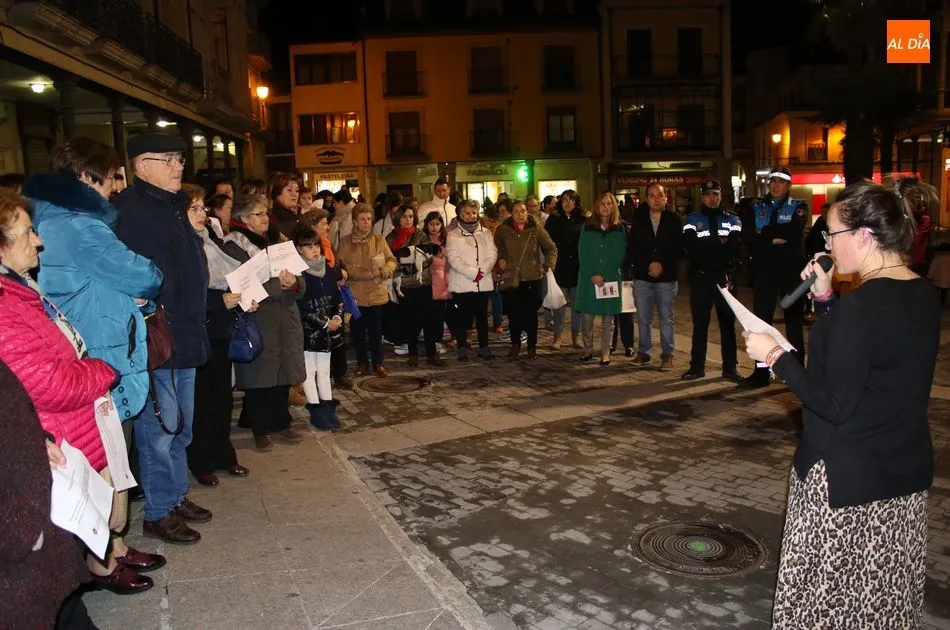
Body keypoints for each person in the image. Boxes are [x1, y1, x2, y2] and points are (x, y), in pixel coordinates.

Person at [743, 178, 940, 628]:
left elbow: (832, 400)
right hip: (901, 474)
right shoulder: (922, 294)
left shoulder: (863, 307)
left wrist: (775, 357)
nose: (826, 242)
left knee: (830, 601)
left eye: (831, 234)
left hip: (845, 483)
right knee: (879, 599)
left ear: (864, 237)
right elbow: (865, 362)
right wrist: (828, 298)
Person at [23, 137, 167, 591]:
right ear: (87, 178)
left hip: (98, 344)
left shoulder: (63, 217)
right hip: (99, 352)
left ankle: (114, 547)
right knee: (102, 457)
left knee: (112, 455)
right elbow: (142, 272)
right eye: (112, 179)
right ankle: (101, 559)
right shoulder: (77, 224)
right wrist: (143, 282)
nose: (116, 189)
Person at [114, 132, 213, 544]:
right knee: (160, 430)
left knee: (180, 426)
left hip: (186, 335)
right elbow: (140, 277)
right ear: (142, 166)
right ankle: (157, 510)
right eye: (169, 159)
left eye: (180, 159)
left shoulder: (173, 207)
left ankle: (174, 496)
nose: (179, 165)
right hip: (160, 339)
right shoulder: (131, 212)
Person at [0, 358, 88, 628]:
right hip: (18, 544)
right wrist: (21, 529)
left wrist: (40, 438)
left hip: (34, 521)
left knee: (66, 609)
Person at [180, 184, 250, 486]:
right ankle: (201, 458)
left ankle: (224, 453)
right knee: (201, 398)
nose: (202, 213)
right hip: (197, 330)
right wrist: (218, 300)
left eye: (202, 207)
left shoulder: (208, 237)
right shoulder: (180, 244)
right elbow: (182, 293)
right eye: (193, 208)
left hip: (219, 326)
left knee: (222, 396)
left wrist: (245, 295)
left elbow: (229, 272)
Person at [226, 193, 307, 451]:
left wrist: (294, 283)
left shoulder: (278, 241)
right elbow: (243, 282)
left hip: (285, 316)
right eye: (259, 214)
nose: (265, 219)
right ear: (244, 218)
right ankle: (260, 427)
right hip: (259, 316)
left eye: (265, 214)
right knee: (259, 375)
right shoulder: (235, 245)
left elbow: (300, 278)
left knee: (283, 371)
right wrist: (280, 285)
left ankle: (281, 421)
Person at [741, 166, 807, 388]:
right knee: (761, 324)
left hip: (790, 272)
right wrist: (774, 236)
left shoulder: (798, 206)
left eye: (781, 181)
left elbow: (794, 233)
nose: (776, 185)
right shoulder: (756, 206)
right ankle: (761, 372)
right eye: (773, 181)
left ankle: (799, 371)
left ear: (788, 185)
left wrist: (765, 235)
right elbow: (748, 236)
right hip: (765, 272)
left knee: (794, 323)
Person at [680, 179, 742, 381]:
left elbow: (734, 245)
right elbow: (692, 248)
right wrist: (719, 245)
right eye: (707, 195)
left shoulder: (732, 218)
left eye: (715, 194)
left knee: (727, 325)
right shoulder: (691, 219)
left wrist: (711, 247)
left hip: (725, 278)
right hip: (701, 278)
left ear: (721, 195)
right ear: (702, 196)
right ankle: (696, 367)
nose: (712, 198)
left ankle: (730, 368)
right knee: (700, 324)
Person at [336, 202, 397, 376]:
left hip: (376, 294)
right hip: (355, 296)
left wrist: (382, 271)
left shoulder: (379, 240)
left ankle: (378, 363)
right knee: (358, 333)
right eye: (362, 219)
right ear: (354, 221)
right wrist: (362, 274)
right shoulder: (346, 242)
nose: (366, 222)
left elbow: (391, 261)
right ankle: (362, 362)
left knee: (376, 332)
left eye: (369, 219)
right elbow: (341, 266)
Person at [294, 223, 344, 431]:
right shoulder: (298, 273)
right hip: (309, 329)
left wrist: (337, 317)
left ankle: (327, 405)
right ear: (299, 249)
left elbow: (336, 297)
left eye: (316, 245)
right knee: (309, 370)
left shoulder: (327, 269)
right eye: (308, 246)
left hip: (329, 327)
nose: (314, 250)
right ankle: (315, 409)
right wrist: (323, 323)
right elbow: (301, 305)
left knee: (324, 370)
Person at [493, 199, 558, 359]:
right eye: (516, 212)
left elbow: (551, 247)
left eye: (523, 211)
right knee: (514, 313)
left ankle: (531, 345)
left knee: (530, 313)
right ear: (511, 214)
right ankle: (515, 344)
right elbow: (497, 246)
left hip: (532, 276)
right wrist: (501, 258)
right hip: (512, 277)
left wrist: (546, 265)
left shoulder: (535, 227)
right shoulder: (504, 229)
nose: (520, 215)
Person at [628, 183, 682, 370]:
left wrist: (661, 264)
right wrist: (648, 265)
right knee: (643, 317)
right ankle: (645, 352)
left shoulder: (674, 219)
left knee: (666, 318)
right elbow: (634, 247)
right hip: (643, 276)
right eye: (652, 195)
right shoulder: (639, 219)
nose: (656, 199)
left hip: (666, 278)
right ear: (646, 199)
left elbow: (677, 248)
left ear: (666, 197)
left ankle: (667, 354)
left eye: (659, 195)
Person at [574, 192, 626, 365]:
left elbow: (619, 254)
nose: (605, 207)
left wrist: (605, 274)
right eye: (602, 203)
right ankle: (588, 349)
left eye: (609, 204)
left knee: (608, 320)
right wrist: (592, 274)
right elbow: (583, 252)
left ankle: (605, 352)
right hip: (589, 279)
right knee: (587, 318)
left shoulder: (619, 228)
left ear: (613, 207)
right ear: (597, 206)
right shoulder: (587, 226)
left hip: (609, 278)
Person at [446, 199, 497, 362]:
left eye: (473, 213)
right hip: (462, 283)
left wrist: (482, 270)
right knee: (461, 318)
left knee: (482, 317)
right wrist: (473, 273)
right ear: (460, 215)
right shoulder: (453, 235)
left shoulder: (486, 233)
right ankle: (462, 348)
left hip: (482, 283)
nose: (470, 216)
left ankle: (484, 348)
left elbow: (492, 254)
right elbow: (454, 258)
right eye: (467, 213)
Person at [544, 189, 586, 350]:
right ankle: (558, 337)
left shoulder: (583, 219)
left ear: (577, 203)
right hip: (559, 266)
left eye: (572, 201)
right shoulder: (554, 219)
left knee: (578, 306)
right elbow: (548, 243)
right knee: (559, 305)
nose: (568, 204)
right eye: (565, 200)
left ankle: (577, 337)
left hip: (578, 266)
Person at [268, 172, 301, 240]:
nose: (294, 194)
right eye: (289, 190)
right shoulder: (270, 219)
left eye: (297, 190)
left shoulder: (296, 216)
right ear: (277, 193)